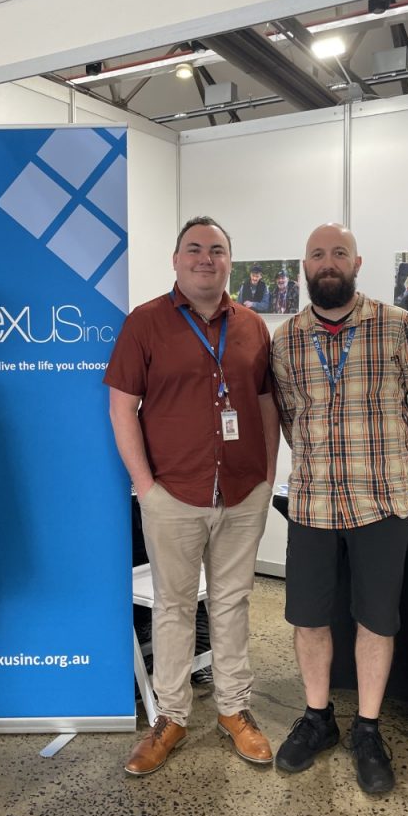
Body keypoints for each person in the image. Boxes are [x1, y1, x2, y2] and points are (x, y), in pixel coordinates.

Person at [271, 223, 408, 794]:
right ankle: (318, 719)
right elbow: (292, 420)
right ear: (304, 265)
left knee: (376, 619)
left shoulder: (398, 327)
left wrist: (397, 455)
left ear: (357, 262)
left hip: (381, 503)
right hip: (313, 503)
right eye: (317, 253)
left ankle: (367, 728)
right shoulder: (286, 339)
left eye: (338, 253)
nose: (328, 262)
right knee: (308, 617)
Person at [105, 216, 280, 776]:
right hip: (172, 493)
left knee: (232, 602)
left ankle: (234, 709)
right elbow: (121, 408)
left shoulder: (252, 326)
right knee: (176, 607)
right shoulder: (145, 323)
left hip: (242, 488)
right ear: (176, 260)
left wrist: (267, 475)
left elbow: (267, 407)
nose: (206, 258)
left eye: (217, 250)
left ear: (230, 261)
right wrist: (145, 487)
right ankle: (173, 716)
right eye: (195, 249)